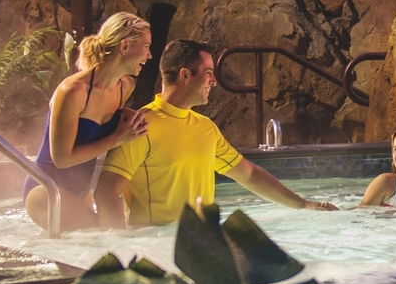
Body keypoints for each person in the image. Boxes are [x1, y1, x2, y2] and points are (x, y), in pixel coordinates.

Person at [95, 39, 337, 226]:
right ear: (185, 74)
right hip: (157, 247)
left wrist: (303, 204)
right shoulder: (140, 126)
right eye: (208, 72)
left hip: (202, 245)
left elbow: (249, 174)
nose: (214, 81)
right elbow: (106, 191)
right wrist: (123, 249)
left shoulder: (206, 128)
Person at [23, 12, 150, 230]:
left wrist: (126, 115)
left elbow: (103, 121)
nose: (149, 55)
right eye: (146, 46)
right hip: (47, 189)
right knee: (102, 240)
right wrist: (117, 138)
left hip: (81, 191)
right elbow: (62, 159)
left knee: (98, 244)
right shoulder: (73, 91)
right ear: (125, 46)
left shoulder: (125, 86)